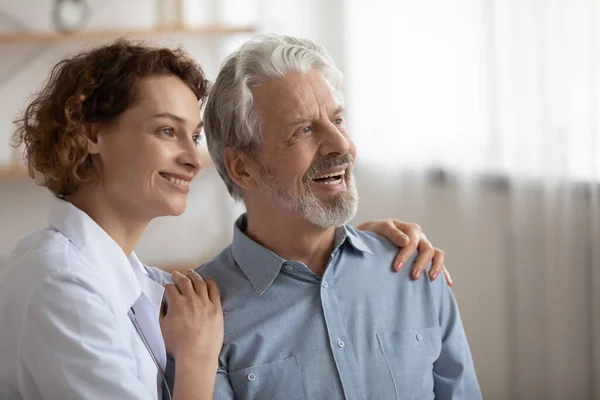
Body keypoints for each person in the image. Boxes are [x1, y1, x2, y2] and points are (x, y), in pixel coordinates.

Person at [0, 40, 448, 399]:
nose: (193, 159)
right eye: (166, 130)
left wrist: (345, 244)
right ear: (93, 134)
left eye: (194, 136)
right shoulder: (60, 287)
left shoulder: (136, 282)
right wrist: (196, 361)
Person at [197, 34, 482, 399]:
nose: (342, 145)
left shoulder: (414, 270)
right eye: (303, 129)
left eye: (338, 120)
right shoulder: (202, 316)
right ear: (243, 168)